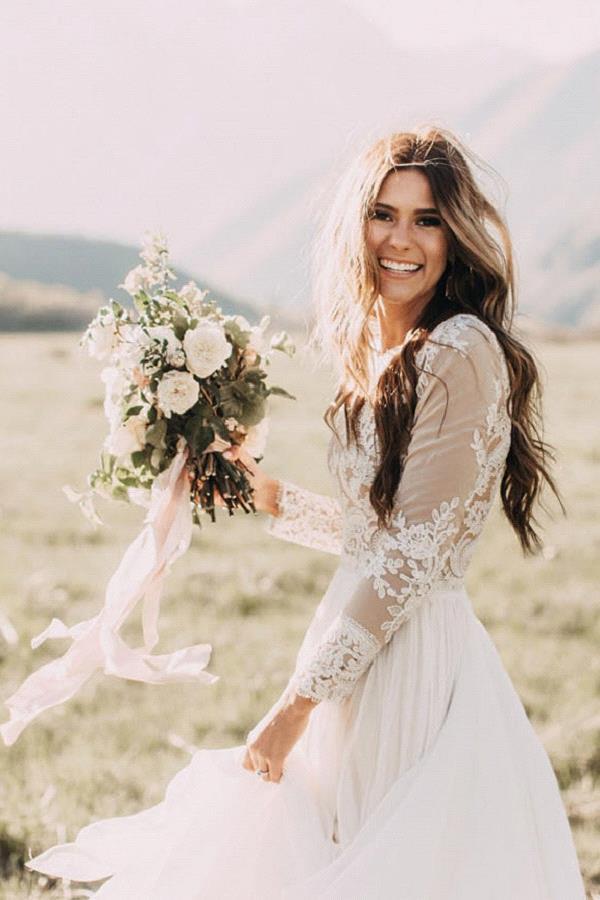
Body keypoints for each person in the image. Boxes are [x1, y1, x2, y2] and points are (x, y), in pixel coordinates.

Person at [26, 126, 586, 898]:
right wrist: (268, 495)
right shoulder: (395, 350)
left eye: (427, 220)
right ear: (355, 224)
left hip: (410, 665)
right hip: (359, 646)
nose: (401, 239)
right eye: (383, 214)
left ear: (456, 237)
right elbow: (378, 533)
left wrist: (296, 706)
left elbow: (412, 556)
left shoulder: (459, 349)